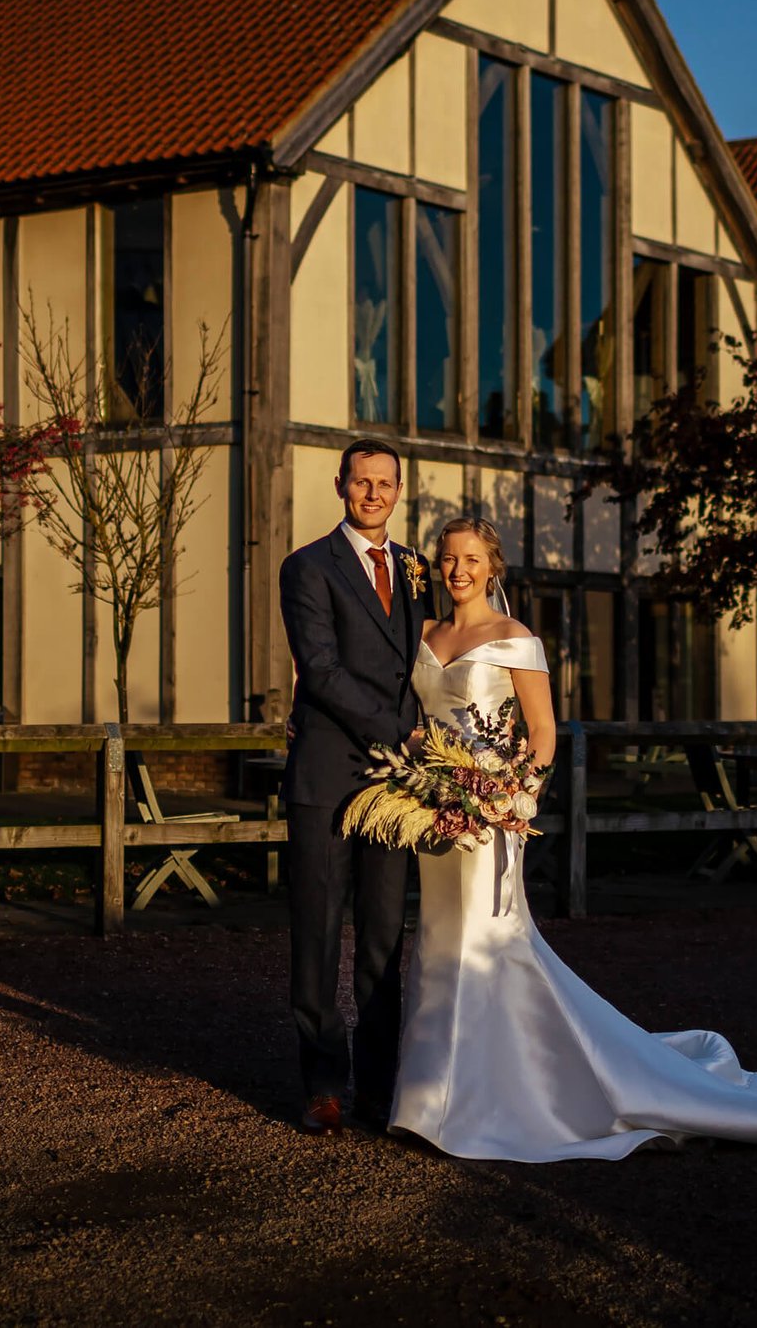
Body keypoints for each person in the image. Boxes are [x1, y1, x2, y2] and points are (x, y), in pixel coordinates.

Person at [391, 516, 757, 1159]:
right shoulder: (420, 634)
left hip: (492, 817)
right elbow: (411, 719)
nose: (458, 570)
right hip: (432, 813)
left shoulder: (516, 638)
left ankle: (490, 1101)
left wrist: (511, 795)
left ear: (492, 566)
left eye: (472, 558)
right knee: (437, 943)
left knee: (488, 941)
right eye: (449, 558)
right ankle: (431, 1099)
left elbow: (543, 737)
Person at [276, 439, 426, 1135]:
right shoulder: (306, 567)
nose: (373, 493)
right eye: (361, 481)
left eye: (385, 482)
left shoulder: (419, 571)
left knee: (382, 943)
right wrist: (400, 735)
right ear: (341, 485)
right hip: (328, 780)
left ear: (400, 489)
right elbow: (322, 668)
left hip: (395, 792)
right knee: (315, 935)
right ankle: (324, 1087)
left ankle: (380, 1088)